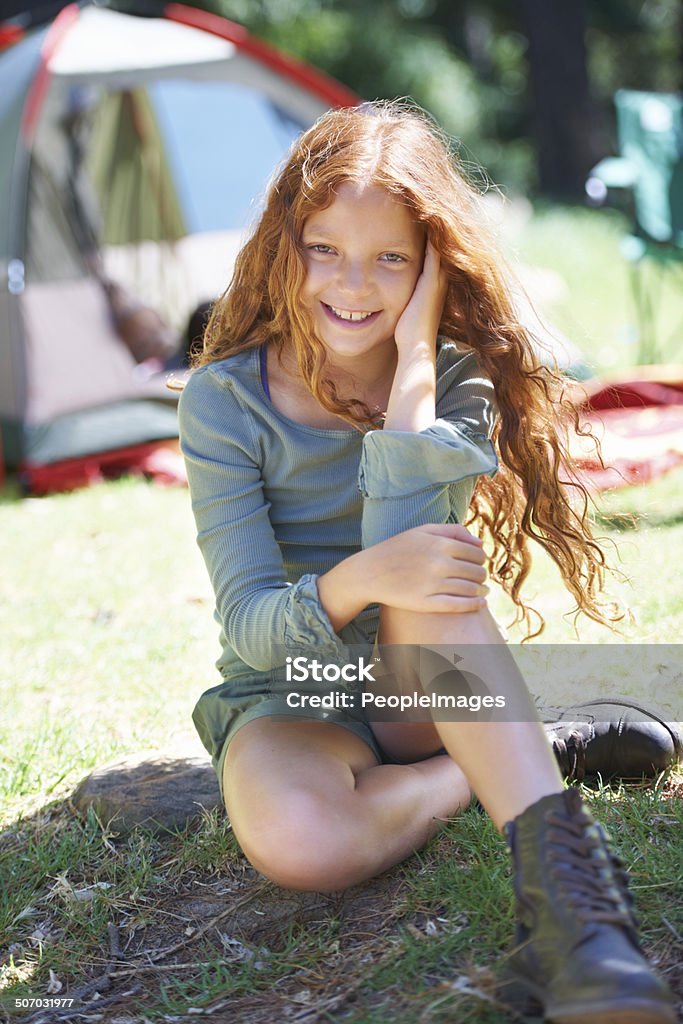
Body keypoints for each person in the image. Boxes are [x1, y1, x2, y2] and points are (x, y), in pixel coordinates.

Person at [178, 101, 677, 1023]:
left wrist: (413, 362)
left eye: (391, 258)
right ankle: (538, 742)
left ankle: (580, 929)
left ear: (432, 264)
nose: (353, 284)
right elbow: (250, 631)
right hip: (294, 690)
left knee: (431, 568)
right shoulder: (223, 400)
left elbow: (407, 549)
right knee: (301, 845)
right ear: (283, 244)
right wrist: (356, 584)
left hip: (421, 682)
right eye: (323, 247)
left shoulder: (454, 377)